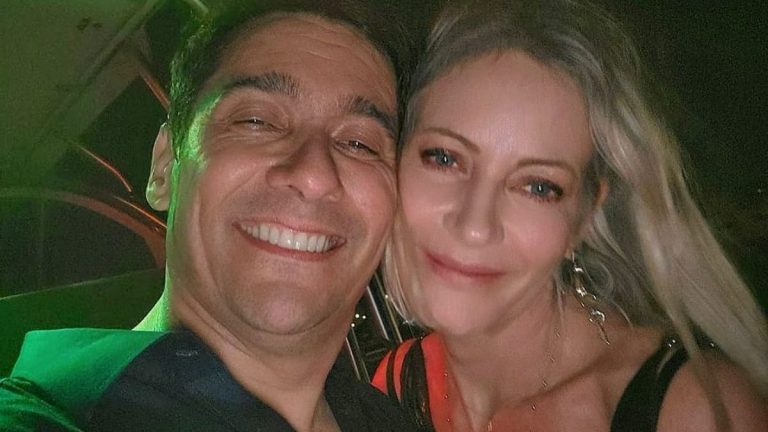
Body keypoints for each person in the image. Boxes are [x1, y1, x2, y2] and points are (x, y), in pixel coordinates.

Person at [0, 1, 418, 431]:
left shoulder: (390, 418)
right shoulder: (42, 418)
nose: (314, 175)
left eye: (360, 144)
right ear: (165, 167)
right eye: (256, 120)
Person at [372, 0, 768, 431]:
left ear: (583, 218)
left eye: (538, 187)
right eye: (444, 158)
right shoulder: (394, 384)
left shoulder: (695, 411)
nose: (474, 226)